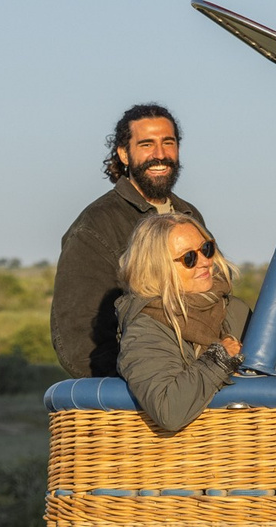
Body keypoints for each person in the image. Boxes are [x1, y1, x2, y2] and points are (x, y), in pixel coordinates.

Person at [52, 104, 204, 379]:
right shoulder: (95, 226)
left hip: (199, 381)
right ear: (124, 153)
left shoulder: (190, 217)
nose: (160, 154)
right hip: (141, 393)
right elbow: (78, 338)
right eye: (147, 144)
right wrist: (131, 391)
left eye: (168, 143)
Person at [114, 211, 248, 434]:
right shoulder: (146, 330)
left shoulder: (235, 309)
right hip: (188, 457)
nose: (205, 262)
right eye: (189, 258)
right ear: (157, 268)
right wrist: (219, 359)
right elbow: (168, 410)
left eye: (207, 249)